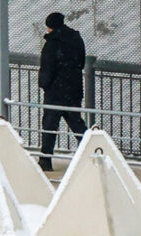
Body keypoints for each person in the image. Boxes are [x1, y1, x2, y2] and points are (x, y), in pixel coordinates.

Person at [38, 12, 88, 171]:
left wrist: (45, 84)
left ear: (51, 26)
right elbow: (81, 62)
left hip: (55, 92)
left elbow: (47, 68)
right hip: (73, 89)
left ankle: (46, 160)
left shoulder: (52, 44)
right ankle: (92, 151)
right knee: (76, 122)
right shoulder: (76, 39)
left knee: (49, 125)